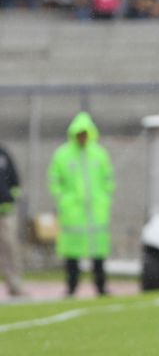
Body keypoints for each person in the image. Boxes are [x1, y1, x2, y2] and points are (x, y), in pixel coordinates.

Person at [48, 112, 115, 298]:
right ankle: (71, 287)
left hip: (96, 212)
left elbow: (108, 179)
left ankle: (101, 287)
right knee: (72, 254)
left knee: (98, 254)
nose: (82, 137)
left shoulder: (99, 154)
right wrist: (65, 200)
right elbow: (55, 181)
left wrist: (104, 199)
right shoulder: (62, 155)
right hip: (73, 213)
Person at [0, 143, 24, 297]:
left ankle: (15, 286)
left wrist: (10, 198)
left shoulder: (3, 153)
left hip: (5, 211)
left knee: (10, 249)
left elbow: (14, 178)